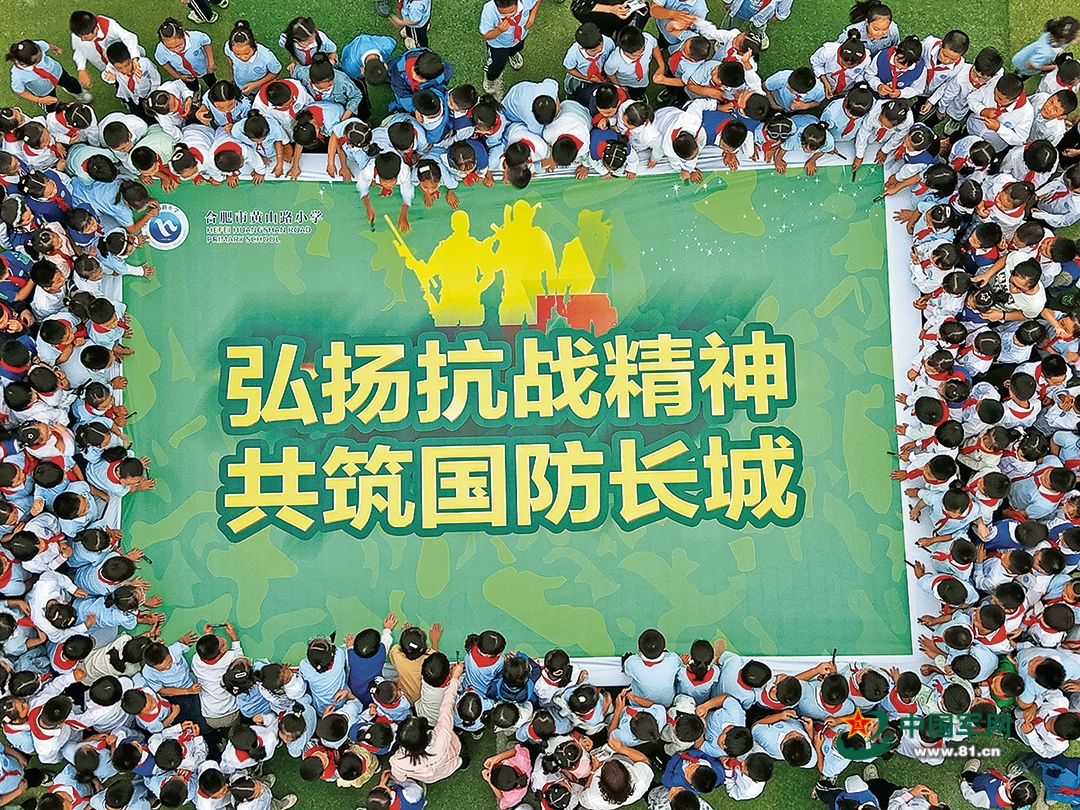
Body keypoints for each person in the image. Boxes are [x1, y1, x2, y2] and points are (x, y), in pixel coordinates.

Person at [389, 661, 468, 783]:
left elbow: (400, 778)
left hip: (430, 779)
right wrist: (454, 679)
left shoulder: (397, 762)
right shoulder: (441, 735)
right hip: (452, 763)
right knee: (460, 761)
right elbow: (446, 706)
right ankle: (464, 764)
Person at [479, 0, 542, 97]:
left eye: (512, 12)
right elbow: (487, 35)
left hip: (520, 37)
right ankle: (491, 79)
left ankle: (512, 54)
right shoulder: (489, 10)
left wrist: (532, 16)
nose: (508, 17)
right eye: (503, 14)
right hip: (499, 45)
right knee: (497, 65)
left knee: (518, 48)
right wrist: (499, 30)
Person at [7, 40, 90, 110]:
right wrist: (40, 100)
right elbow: (20, 91)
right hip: (44, 90)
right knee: (51, 106)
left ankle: (79, 93)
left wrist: (56, 49)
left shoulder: (35, 47)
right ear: (24, 64)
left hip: (57, 72)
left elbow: (48, 46)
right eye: (38, 61)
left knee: (72, 83)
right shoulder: (17, 75)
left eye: (41, 55)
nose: (41, 59)